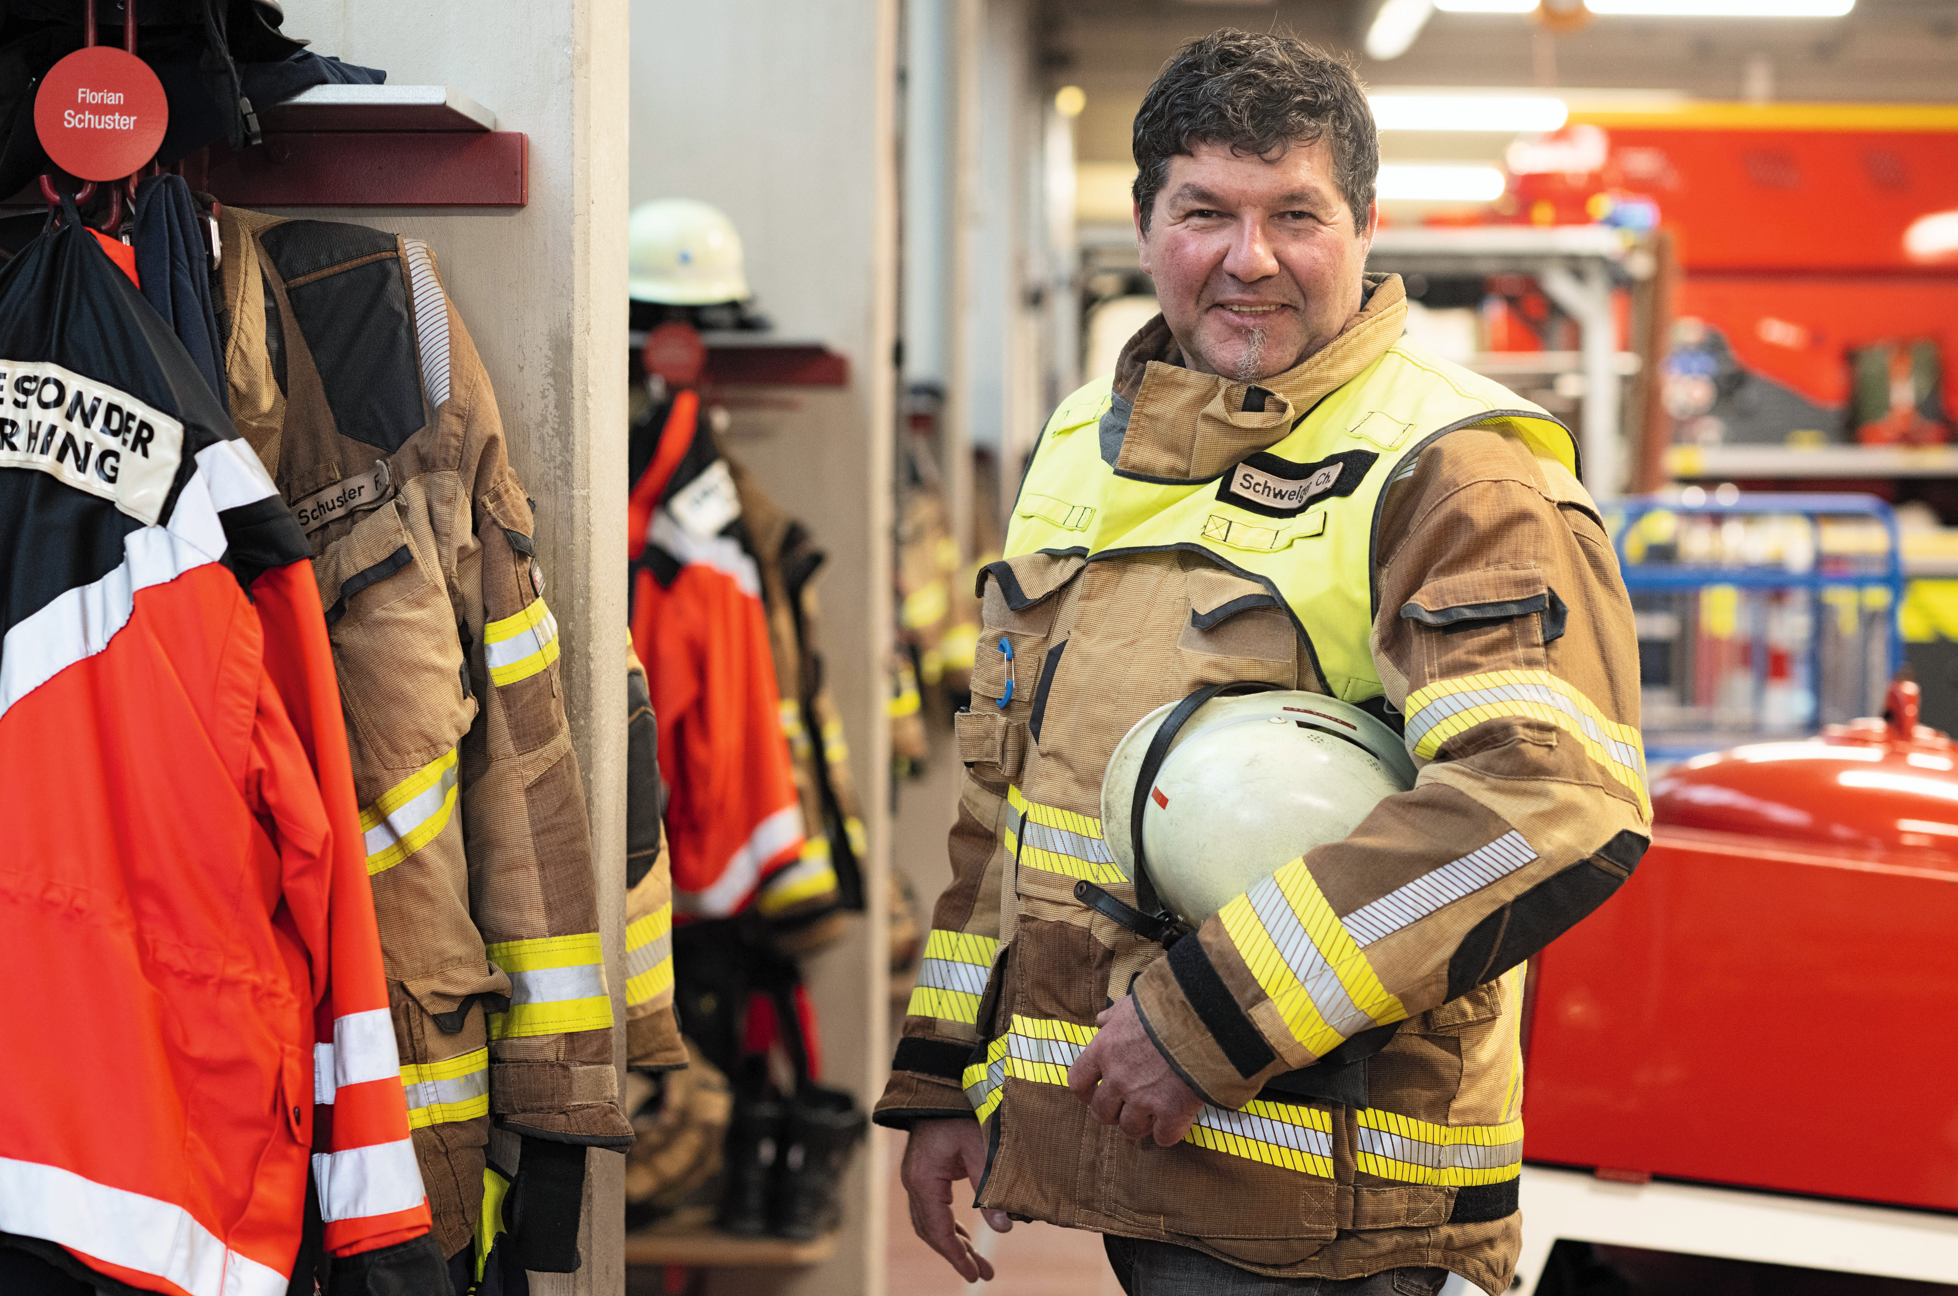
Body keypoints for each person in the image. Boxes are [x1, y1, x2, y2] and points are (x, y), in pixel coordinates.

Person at [876, 30, 1648, 1296]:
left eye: (1296, 212)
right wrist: (942, 1071)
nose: (1250, 259)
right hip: (1143, 1165)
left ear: (1362, 226)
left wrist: (1203, 1022)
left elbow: (1545, 801)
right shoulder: (1082, 447)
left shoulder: (1454, 469)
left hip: (1335, 1203)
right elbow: (1006, 807)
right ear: (1142, 227)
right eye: (1205, 213)